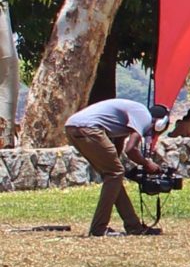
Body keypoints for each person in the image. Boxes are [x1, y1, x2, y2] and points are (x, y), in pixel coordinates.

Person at [62, 98, 170, 236]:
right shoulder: (145, 118)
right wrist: (147, 163)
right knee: (115, 174)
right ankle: (98, 229)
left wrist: (116, 164)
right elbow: (130, 149)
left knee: (114, 176)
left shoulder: (134, 114)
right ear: (161, 123)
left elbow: (119, 143)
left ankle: (134, 226)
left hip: (73, 127)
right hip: (89, 128)